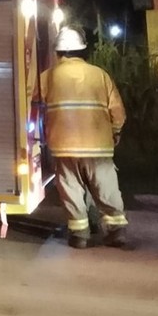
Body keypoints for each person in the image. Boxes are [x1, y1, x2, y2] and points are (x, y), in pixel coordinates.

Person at [37, 27, 129, 249]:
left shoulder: (48, 77)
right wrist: (115, 131)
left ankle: (79, 235)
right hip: (99, 145)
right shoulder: (100, 75)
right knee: (106, 188)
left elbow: (31, 103)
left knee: (71, 189)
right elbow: (117, 111)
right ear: (82, 51)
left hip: (64, 146)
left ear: (58, 52)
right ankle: (116, 231)